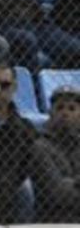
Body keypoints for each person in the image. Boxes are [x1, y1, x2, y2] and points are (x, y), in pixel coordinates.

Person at [0, 63, 38, 225]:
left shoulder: (26, 130)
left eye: (4, 85)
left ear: (14, 88)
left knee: (26, 189)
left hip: (11, 197)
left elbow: (30, 168)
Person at [33, 85, 80, 221]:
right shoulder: (40, 147)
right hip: (54, 222)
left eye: (72, 108)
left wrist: (71, 183)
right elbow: (56, 194)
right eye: (60, 108)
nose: (65, 113)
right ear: (51, 113)